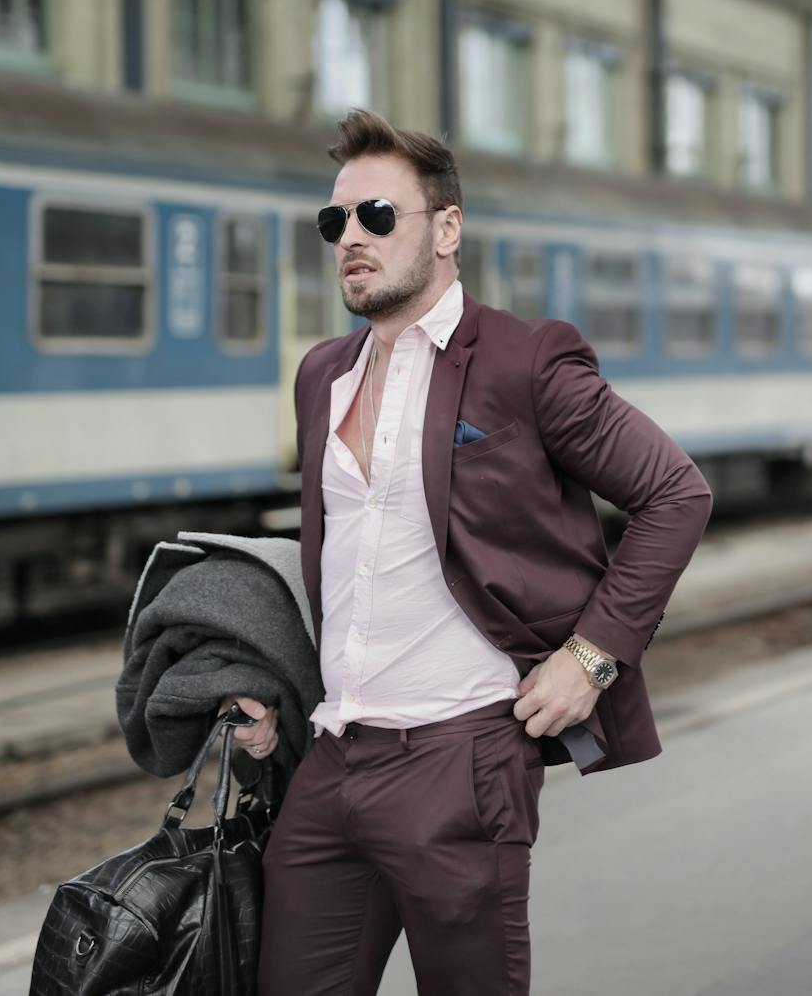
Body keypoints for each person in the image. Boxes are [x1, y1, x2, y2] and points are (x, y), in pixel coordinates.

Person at [226, 108, 712, 995]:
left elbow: (676, 492)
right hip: (332, 761)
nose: (351, 239)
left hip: (461, 757)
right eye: (335, 222)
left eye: (378, 216)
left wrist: (591, 658)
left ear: (447, 229)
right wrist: (284, 697)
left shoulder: (525, 361)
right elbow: (345, 564)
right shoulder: (320, 375)